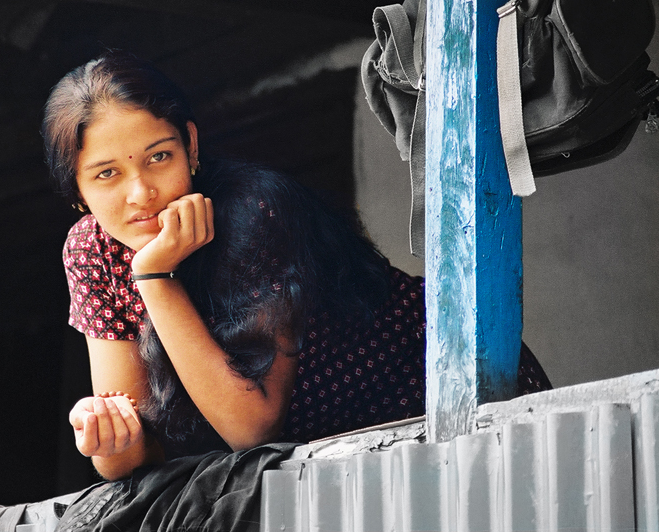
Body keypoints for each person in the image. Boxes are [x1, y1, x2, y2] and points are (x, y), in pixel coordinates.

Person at [42, 51, 551, 482]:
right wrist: (106, 436)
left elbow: (251, 427)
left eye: (158, 157)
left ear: (191, 147)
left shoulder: (253, 212)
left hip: (432, 397)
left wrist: (155, 277)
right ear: (77, 193)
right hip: (319, 470)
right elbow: (137, 449)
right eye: (107, 174)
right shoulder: (91, 252)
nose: (141, 193)